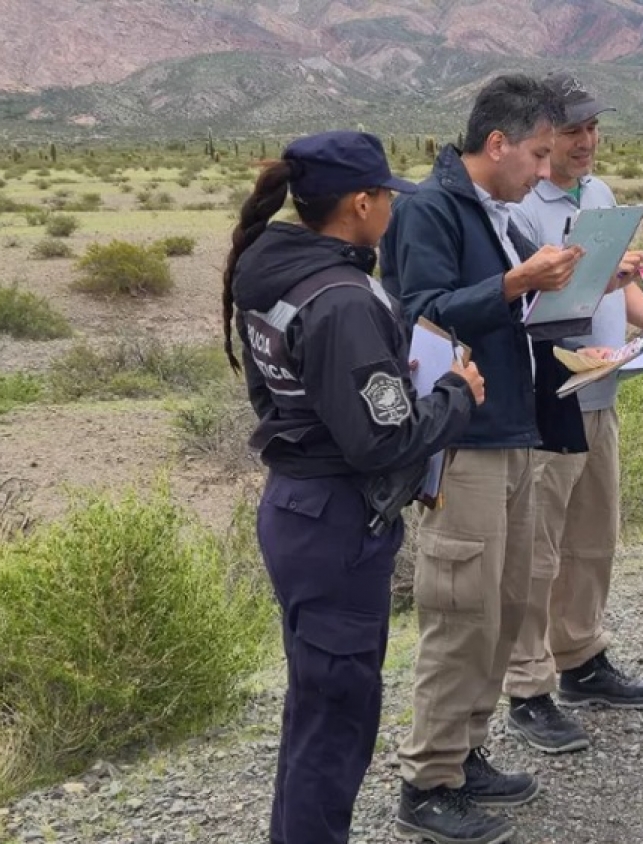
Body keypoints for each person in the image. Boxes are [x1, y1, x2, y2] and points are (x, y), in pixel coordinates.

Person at [223, 130, 484, 844]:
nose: (394, 211)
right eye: (387, 198)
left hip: (295, 506)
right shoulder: (342, 299)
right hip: (337, 524)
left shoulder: (270, 271)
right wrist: (458, 394)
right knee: (337, 720)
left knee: (315, 711)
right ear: (360, 203)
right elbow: (383, 437)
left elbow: (271, 398)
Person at [381, 74, 589, 844]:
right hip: (463, 441)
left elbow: (514, 315)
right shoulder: (430, 210)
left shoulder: (496, 214)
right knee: (460, 611)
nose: (544, 170)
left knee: (501, 606)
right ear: (496, 143)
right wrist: (513, 283)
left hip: (512, 432)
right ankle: (427, 780)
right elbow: (420, 314)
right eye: (536, 153)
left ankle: (465, 752)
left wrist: (571, 334)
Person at [501, 72, 643, 755]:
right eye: (570, 131)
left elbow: (617, 287)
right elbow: (527, 308)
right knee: (536, 551)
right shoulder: (522, 207)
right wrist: (602, 288)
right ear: (539, 138)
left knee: (592, 538)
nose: (586, 142)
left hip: (602, 391)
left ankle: (581, 658)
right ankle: (527, 688)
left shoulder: (602, 195)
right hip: (549, 402)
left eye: (592, 129)